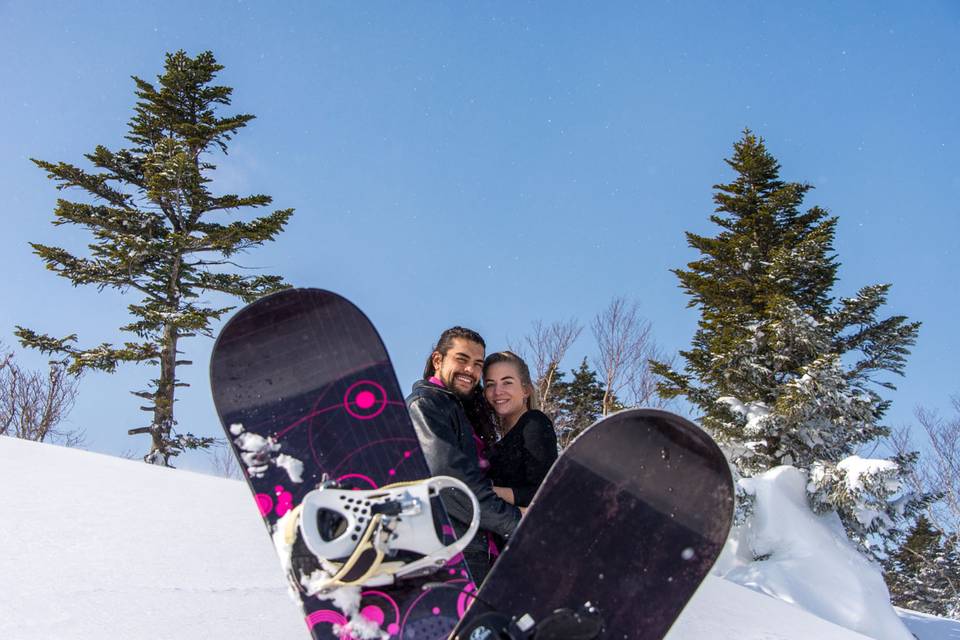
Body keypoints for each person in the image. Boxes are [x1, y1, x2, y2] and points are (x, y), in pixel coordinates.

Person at [406, 327, 521, 583]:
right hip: (452, 551)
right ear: (438, 360)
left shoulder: (458, 410)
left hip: (478, 547)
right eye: (462, 359)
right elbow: (452, 484)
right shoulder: (425, 405)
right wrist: (516, 522)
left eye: (477, 364)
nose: (471, 371)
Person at [482, 351, 558, 509]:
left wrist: (485, 492)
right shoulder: (495, 442)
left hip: (528, 531)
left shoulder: (534, 423)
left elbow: (543, 493)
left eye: (507, 382)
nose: (497, 391)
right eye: (490, 384)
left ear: (526, 390)